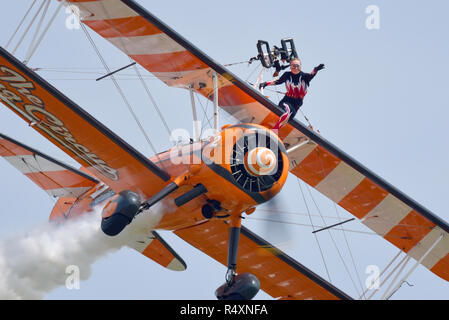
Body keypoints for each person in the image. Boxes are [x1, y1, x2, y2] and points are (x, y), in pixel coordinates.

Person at [259, 58, 324, 131]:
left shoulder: (305, 77)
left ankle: (272, 132)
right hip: (287, 101)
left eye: (297, 66)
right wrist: (265, 83)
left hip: (296, 105)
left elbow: (312, 74)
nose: (295, 68)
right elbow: (278, 81)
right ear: (290, 66)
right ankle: (273, 130)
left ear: (300, 67)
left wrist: (316, 69)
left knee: (287, 117)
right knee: (287, 112)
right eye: (293, 66)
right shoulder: (287, 75)